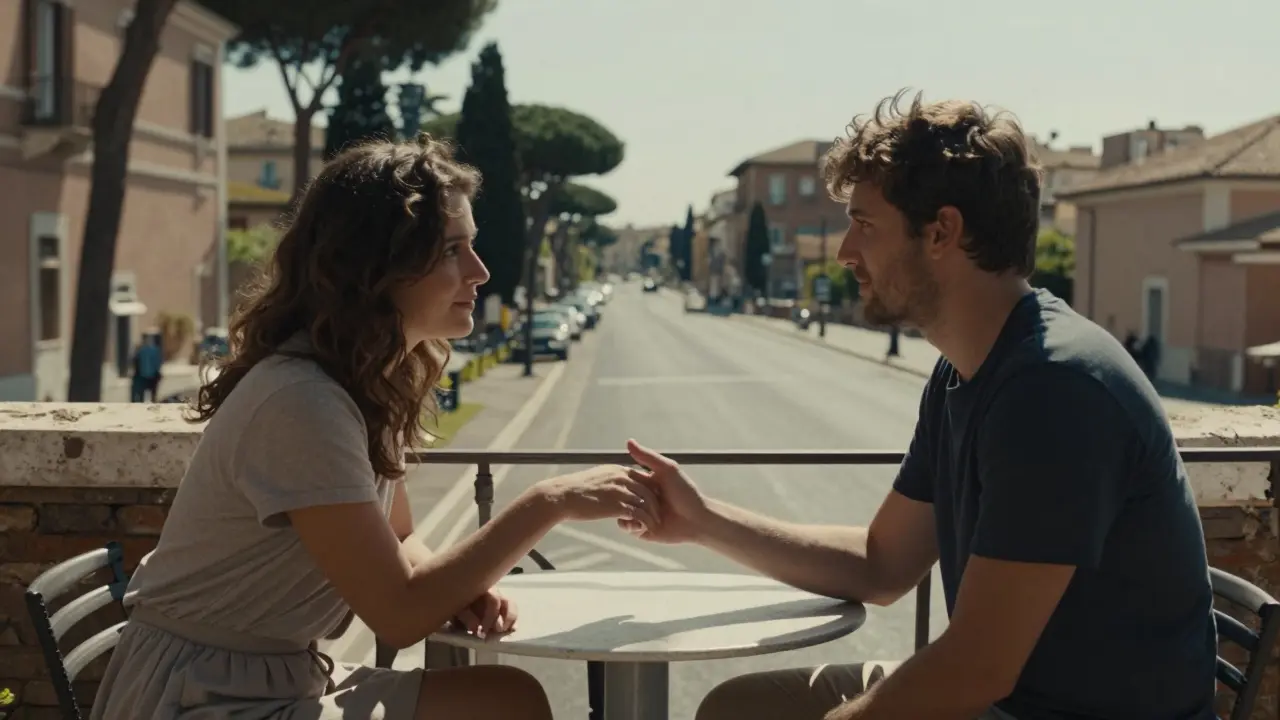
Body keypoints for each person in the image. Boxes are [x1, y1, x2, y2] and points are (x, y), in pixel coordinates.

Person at [620, 91, 1217, 720]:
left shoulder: (1055, 389)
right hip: (1001, 699)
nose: (846, 252)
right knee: (739, 707)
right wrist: (702, 520)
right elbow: (880, 564)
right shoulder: (967, 368)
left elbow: (977, 668)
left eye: (865, 225)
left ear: (941, 232)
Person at [90, 134, 661, 720]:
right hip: (197, 695)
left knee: (509, 698)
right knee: (505, 704)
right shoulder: (302, 402)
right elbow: (398, 616)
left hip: (270, 676)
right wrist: (550, 500)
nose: (480, 271)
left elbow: (402, 538)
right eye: (452, 251)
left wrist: (458, 589)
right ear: (377, 268)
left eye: (472, 246)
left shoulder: (364, 381)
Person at [130, 331, 163, 402]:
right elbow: (158, 362)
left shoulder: (142, 350)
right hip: (148, 375)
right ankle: (151, 400)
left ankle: (145, 401)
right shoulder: (153, 350)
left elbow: (135, 360)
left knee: (143, 392)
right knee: (150, 392)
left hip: (145, 375)